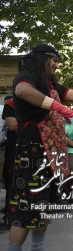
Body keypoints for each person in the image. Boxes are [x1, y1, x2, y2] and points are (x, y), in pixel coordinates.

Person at [7, 44, 73, 250]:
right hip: (32, 152)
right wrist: (57, 106)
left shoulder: (52, 84)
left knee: (43, 207)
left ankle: (37, 248)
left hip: (52, 154)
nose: (57, 64)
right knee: (26, 209)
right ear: (41, 59)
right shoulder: (27, 76)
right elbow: (22, 90)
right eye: (54, 60)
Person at [1, 95, 15, 234]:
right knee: (10, 185)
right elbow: (12, 126)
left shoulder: (37, 105)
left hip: (32, 151)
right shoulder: (10, 105)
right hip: (13, 151)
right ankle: (8, 218)